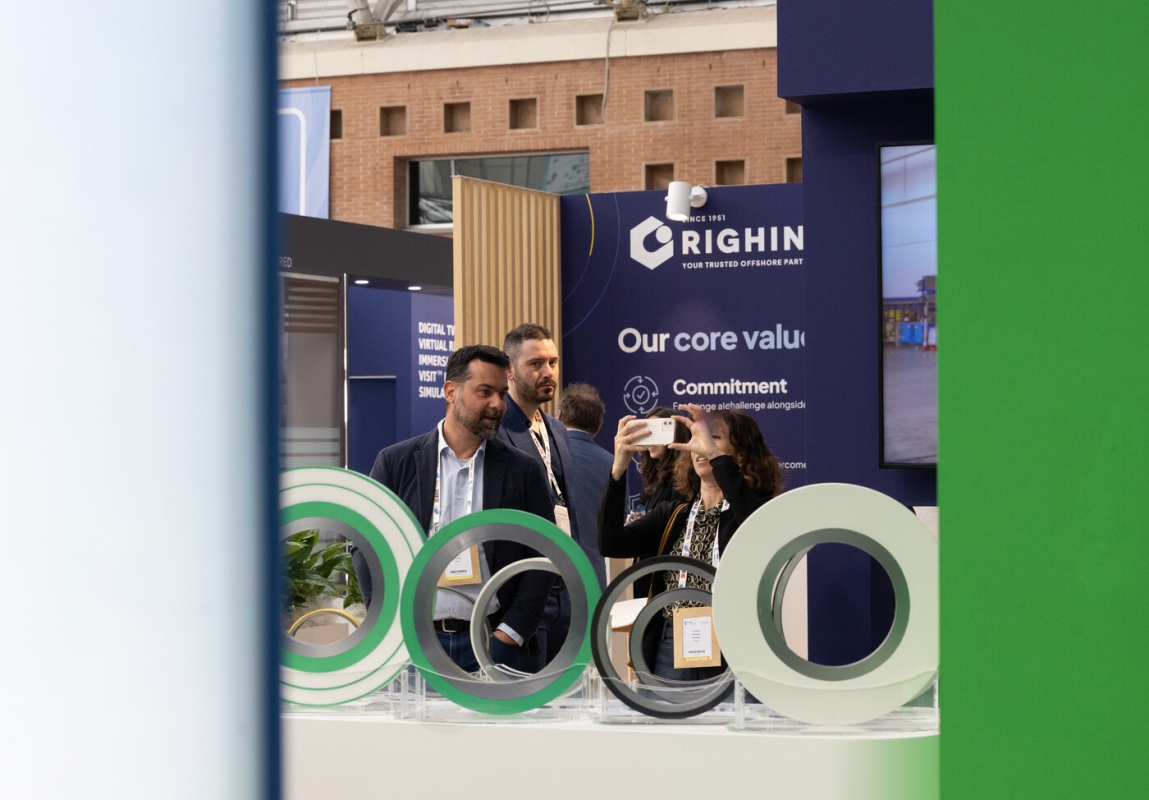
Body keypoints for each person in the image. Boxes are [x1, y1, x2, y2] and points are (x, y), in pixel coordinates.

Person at [356, 344, 556, 673]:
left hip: (492, 643)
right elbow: (367, 546)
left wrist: (510, 634)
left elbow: (544, 554)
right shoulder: (396, 462)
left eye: (502, 394)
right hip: (414, 644)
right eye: (485, 392)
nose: (497, 404)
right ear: (451, 391)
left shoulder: (522, 470)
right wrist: (389, 622)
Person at [598, 404, 783, 682]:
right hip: (671, 642)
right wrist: (618, 469)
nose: (701, 446)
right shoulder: (673, 514)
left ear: (741, 455)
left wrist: (718, 459)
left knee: (731, 711)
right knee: (667, 712)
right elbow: (611, 543)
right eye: (698, 438)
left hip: (735, 641)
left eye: (713, 438)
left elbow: (756, 530)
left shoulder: (755, 511)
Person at [499, 323, 581, 665]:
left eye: (553, 362)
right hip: (523, 595)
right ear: (510, 370)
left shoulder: (557, 430)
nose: (548, 372)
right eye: (536, 364)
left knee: (568, 693)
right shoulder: (496, 431)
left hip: (566, 591)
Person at [555, 382, 611, 590]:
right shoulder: (613, 465)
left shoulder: (541, 457)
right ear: (599, 425)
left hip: (551, 581)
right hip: (594, 581)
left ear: (559, 416)